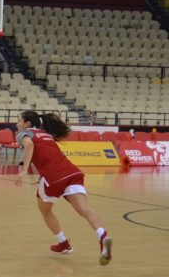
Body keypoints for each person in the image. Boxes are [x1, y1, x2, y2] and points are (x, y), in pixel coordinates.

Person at [15, 110, 113, 265]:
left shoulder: (23, 134)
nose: (17, 124)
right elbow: (36, 151)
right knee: (84, 209)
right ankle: (102, 235)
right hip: (72, 172)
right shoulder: (46, 134)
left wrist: (23, 170)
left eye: (19, 121)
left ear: (27, 123)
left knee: (45, 210)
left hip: (54, 177)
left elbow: (30, 145)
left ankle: (63, 243)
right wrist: (24, 164)